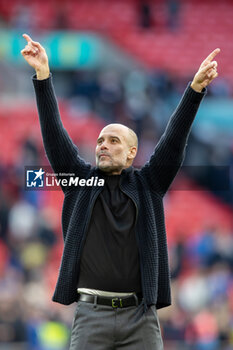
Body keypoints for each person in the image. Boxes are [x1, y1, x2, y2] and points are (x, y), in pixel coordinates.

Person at [21, 33, 219, 350]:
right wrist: (43, 76)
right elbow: (55, 138)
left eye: (113, 141)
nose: (103, 145)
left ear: (131, 153)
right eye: (100, 140)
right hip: (91, 315)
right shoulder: (80, 181)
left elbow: (173, 142)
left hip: (140, 317)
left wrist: (195, 90)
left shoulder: (149, 183)